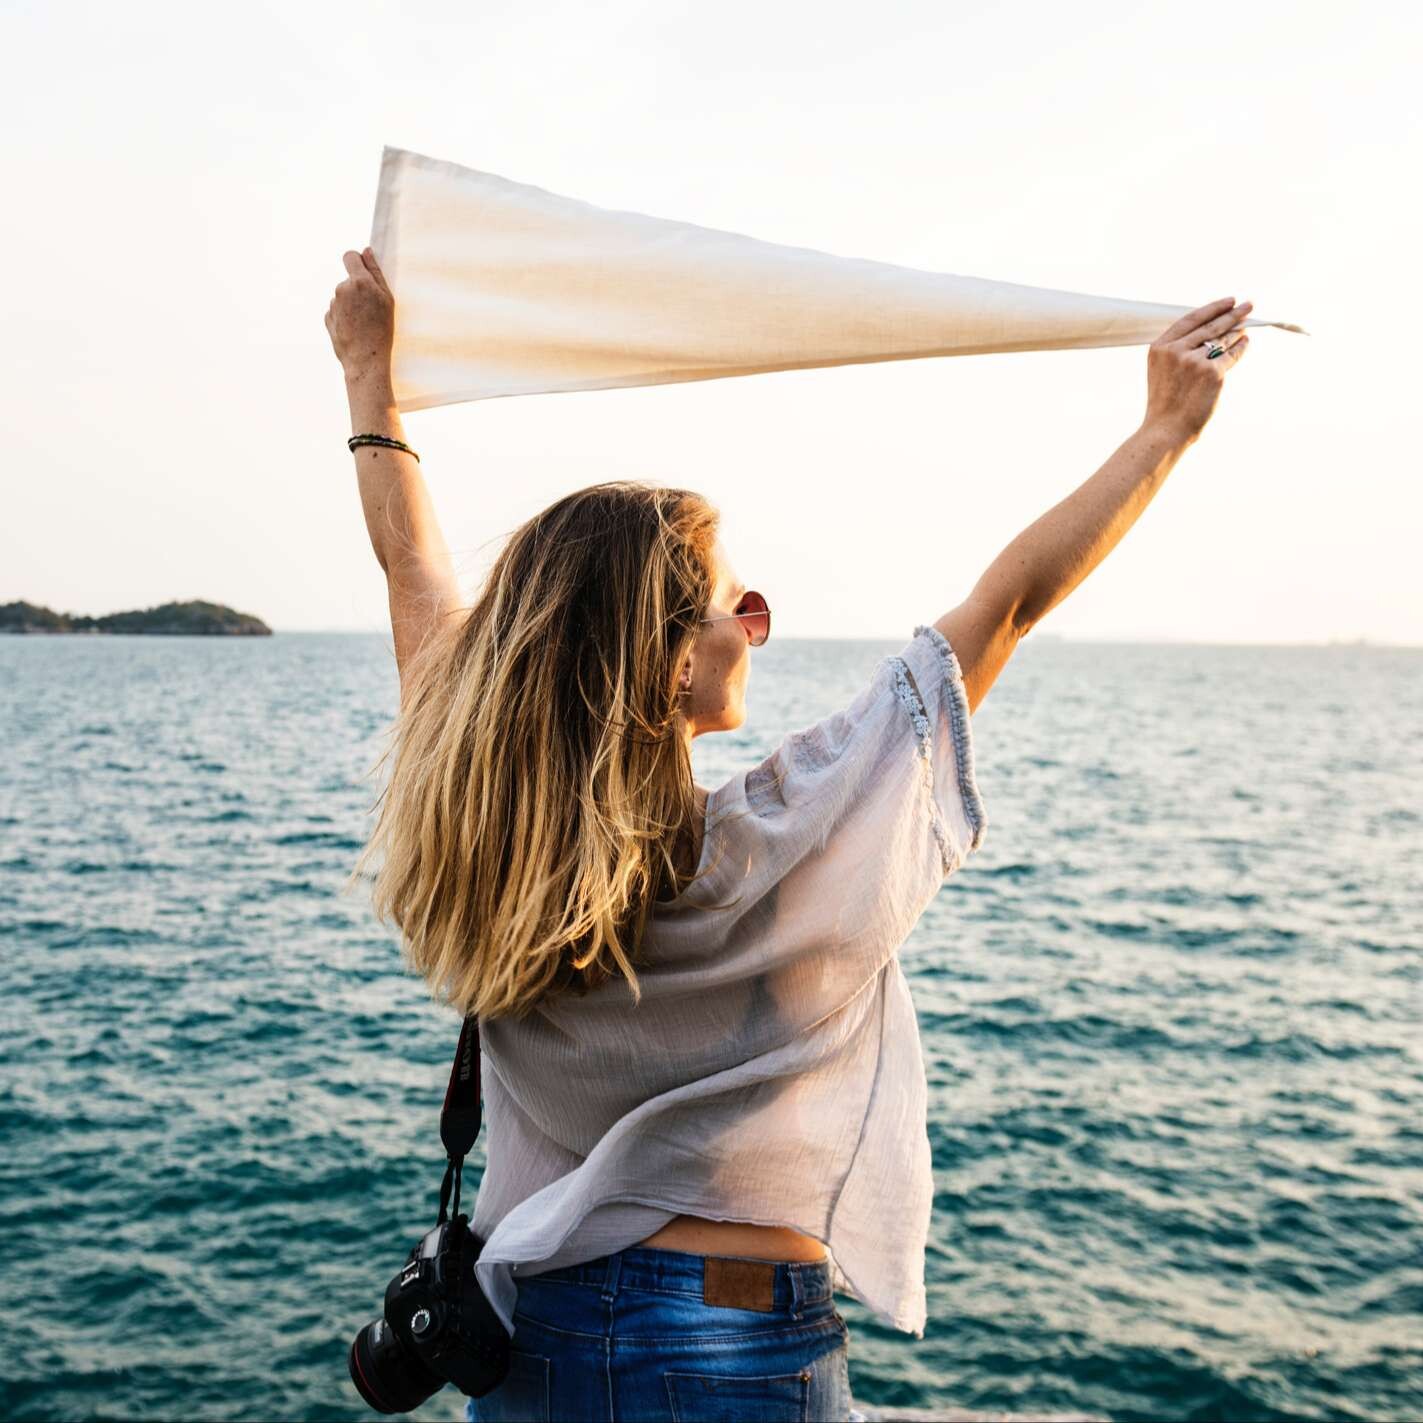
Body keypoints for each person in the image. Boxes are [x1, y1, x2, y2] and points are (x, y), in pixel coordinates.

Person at [326, 247, 1252, 1422]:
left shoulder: (480, 841)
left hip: (535, 1339)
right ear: (670, 662)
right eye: (735, 603)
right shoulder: (786, 835)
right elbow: (1009, 602)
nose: (755, 625)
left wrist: (368, 374)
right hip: (737, 1336)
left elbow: (411, 564)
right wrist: (1166, 428)